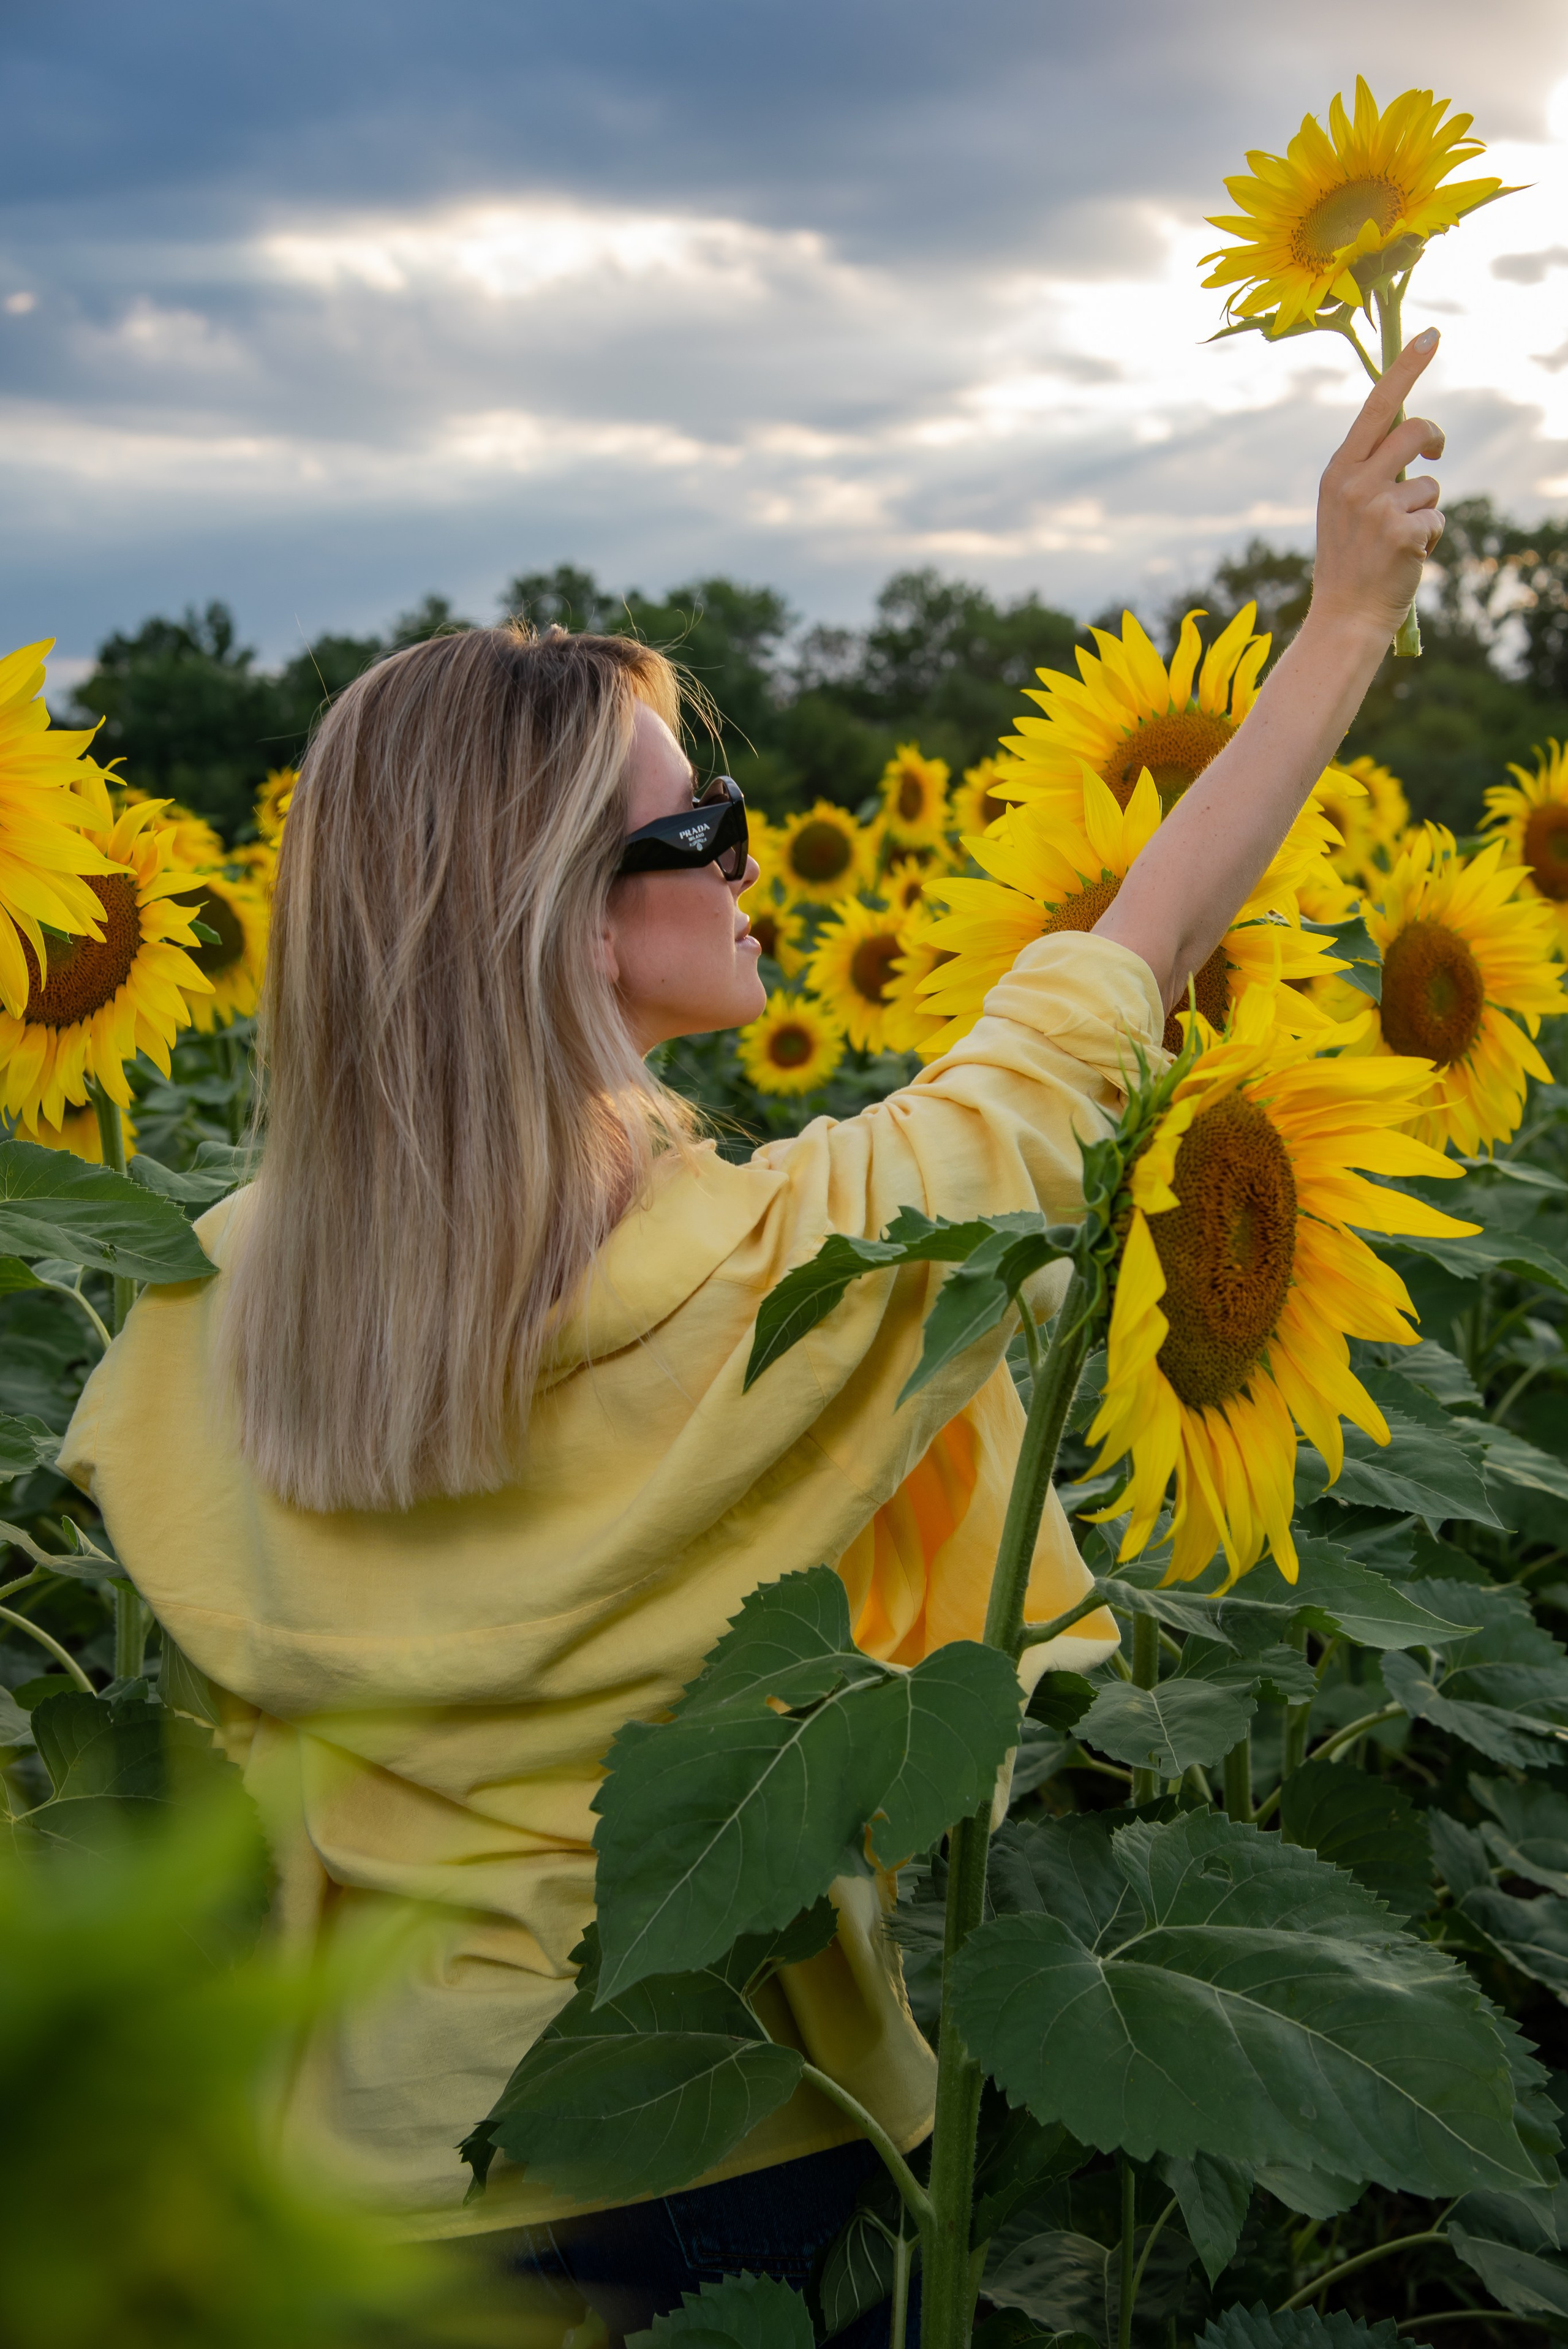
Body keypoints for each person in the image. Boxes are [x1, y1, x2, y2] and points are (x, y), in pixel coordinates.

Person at [59, 336, 1444, 2345]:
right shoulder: (790, 1269)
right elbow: (1120, 970)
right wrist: (1342, 620)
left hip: (354, 2186)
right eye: (698, 828)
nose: (746, 854)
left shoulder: (224, 1307)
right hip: (713, 2150)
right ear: (568, 917)